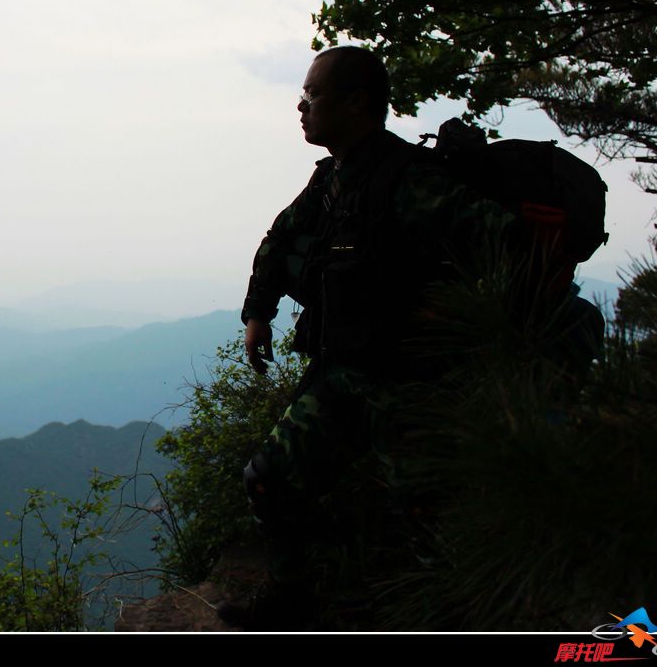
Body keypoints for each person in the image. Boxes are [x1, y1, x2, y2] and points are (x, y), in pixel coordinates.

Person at [217, 46, 511, 630]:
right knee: (267, 479)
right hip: (345, 373)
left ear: (355, 103)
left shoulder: (412, 180)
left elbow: (505, 240)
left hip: (413, 387)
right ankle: (293, 597)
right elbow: (281, 237)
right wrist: (258, 314)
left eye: (312, 95)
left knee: (430, 522)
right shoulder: (333, 178)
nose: (301, 107)